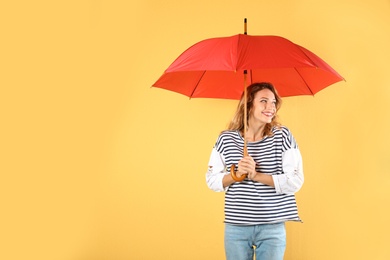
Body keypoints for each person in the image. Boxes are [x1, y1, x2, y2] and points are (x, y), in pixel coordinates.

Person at [206, 82, 304, 260]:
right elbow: (211, 180)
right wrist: (235, 175)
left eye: (273, 102)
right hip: (236, 227)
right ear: (248, 105)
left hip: (272, 227)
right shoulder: (226, 139)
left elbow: (295, 180)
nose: (271, 107)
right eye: (264, 101)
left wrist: (256, 175)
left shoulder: (282, 136)